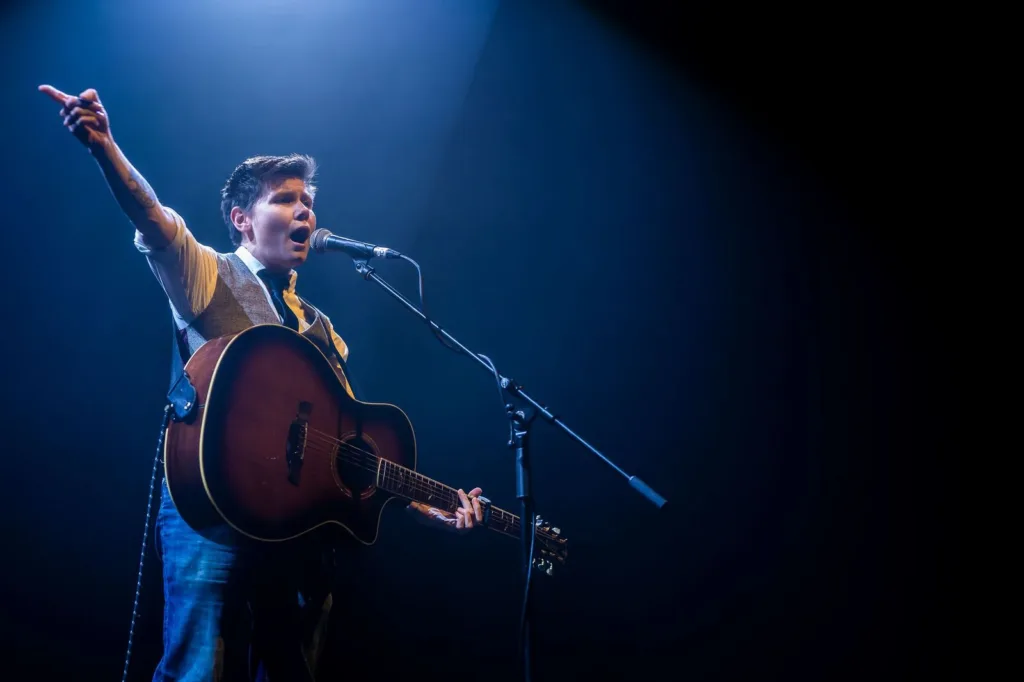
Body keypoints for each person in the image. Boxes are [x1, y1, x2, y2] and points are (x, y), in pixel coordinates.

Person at [39, 84, 486, 681]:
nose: (306, 212)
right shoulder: (207, 276)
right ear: (242, 221)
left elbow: (337, 450)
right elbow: (154, 219)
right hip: (213, 513)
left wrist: (420, 501)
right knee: (199, 670)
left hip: (297, 534)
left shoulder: (321, 329)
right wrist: (105, 149)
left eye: (309, 202)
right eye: (286, 200)